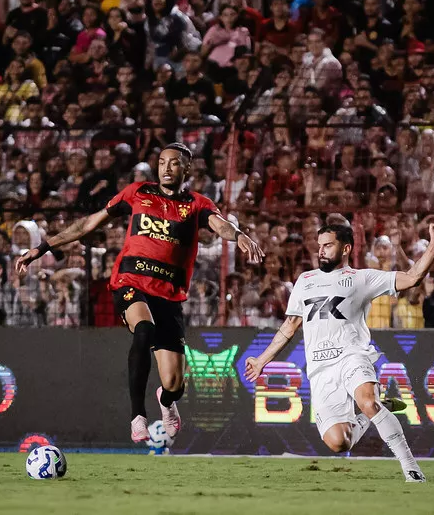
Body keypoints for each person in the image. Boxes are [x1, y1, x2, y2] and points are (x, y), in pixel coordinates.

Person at [16, 142, 264, 443]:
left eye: (174, 163)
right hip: (130, 282)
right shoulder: (137, 193)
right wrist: (42, 247)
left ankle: (167, 401)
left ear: (186, 169)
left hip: (169, 295)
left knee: (175, 384)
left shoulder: (196, 204)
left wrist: (238, 236)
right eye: (162, 162)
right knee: (144, 329)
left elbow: (219, 224)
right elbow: (88, 224)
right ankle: (137, 416)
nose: (167, 168)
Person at [245, 219, 434, 483]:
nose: (320, 250)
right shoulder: (305, 280)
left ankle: (411, 470)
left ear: (345, 249)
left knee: (368, 401)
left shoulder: (361, 278)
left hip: (351, 355)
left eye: (328, 245)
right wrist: (262, 360)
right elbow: (290, 325)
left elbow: (413, 278)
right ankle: (372, 414)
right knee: (339, 442)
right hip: (320, 368)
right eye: (319, 245)